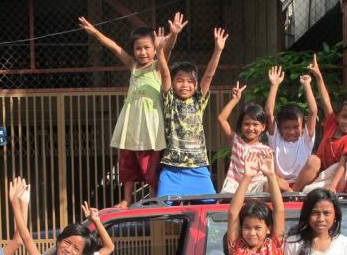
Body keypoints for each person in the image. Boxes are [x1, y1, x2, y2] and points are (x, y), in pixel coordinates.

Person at [79, 12, 186, 207]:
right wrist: (94, 31)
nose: (142, 52)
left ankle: (154, 197)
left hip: (150, 128)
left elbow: (167, 50)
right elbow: (114, 47)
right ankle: (126, 199)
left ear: (155, 50)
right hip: (130, 124)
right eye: (138, 48)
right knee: (126, 163)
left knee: (150, 168)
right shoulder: (133, 66)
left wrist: (173, 35)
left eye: (147, 48)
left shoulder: (156, 67)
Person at [155, 25, 228, 196]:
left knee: (209, 207)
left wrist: (218, 50)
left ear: (196, 86)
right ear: (173, 83)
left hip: (198, 167)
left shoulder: (198, 101)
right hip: (172, 167)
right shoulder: (169, 100)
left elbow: (209, 75)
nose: (185, 85)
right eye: (180, 80)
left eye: (190, 81)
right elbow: (165, 74)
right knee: (162, 209)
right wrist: (159, 51)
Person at [292, 55, 347, 193]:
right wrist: (318, 76)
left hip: (336, 177)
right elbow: (325, 100)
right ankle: (294, 192)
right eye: (344, 117)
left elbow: (343, 164)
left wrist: (333, 185)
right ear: (338, 116)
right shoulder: (333, 124)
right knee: (314, 160)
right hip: (321, 177)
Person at [263, 65, 318, 192]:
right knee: (269, 179)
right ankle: (291, 193)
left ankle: (293, 193)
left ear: (303, 127)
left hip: (302, 184)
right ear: (280, 128)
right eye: (287, 128)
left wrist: (307, 85)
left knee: (315, 160)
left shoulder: (305, 139)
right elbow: (268, 112)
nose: (292, 131)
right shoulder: (276, 139)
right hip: (280, 185)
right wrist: (274, 85)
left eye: (295, 127)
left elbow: (313, 111)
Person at [217, 81, 274, 194]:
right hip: (235, 186)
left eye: (255, 124)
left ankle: (296, 198)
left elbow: (269, 173)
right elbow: (221, 119)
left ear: (263, 127)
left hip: (257, 186)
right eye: (247, 124)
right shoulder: (236, 142)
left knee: (278, 183)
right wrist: (235, 100)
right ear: (241, 126)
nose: (251, 128)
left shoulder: (266, 150)